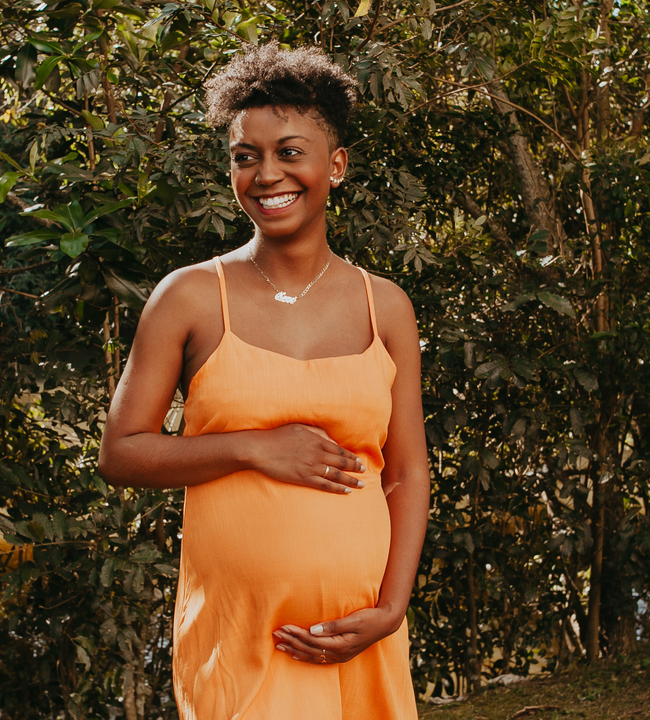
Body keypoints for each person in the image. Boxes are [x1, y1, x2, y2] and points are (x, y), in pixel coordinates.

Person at [98, 43, 429, 719]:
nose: (266, 173)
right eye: (245, 157)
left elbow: (407, 470)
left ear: (335, 165)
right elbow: (122, 451)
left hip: (360, 640)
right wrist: (254, 446)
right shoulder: (189, 297)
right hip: (242, 641)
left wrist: (392, 608)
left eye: (289, 152)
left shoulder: (385, 306)